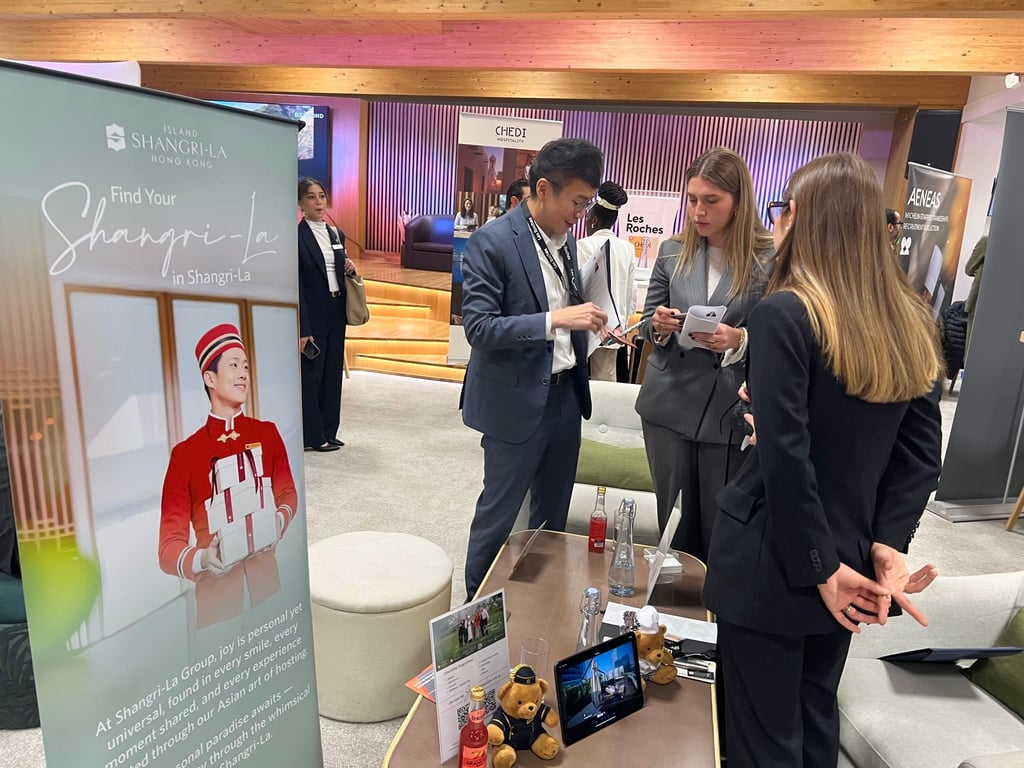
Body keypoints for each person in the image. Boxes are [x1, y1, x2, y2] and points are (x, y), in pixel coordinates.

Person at [703, 152, 943, 767]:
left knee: (760, 741)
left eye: (782, 210)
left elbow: (787, 455)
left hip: (775, 562)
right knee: (813, 725)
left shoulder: (784, 313)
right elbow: (920, 455)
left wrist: (820, 567)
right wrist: (885, 541)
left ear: (799, 216)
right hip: (850, 562)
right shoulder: (912, 320)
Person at [460, 138, 608, 600]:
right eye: (577, 202)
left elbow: (564, 307)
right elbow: (479, 327)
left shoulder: (567, 242)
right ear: (543, 188)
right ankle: (475, 614)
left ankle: (539, 604)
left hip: (566, 397)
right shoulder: (492, 241)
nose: (581, 214)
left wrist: (588, 325)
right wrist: (554, 320)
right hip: (514, 400)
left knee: (552, 517)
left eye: (587, 204)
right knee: (499, 516)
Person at [634, 147, 773, 560]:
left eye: (711, 200)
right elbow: (645, 326)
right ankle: (672, 602)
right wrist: (658, 325)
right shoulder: (672, 251)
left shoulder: (771, 257)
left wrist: (741, 339)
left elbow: (788, 334)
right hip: (667, 404)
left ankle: (715, 604)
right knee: (673, 532)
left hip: (729, 408)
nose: (698, 211)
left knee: (721, 531)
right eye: (692, 199)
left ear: (739, 201)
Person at [158, 324, 299, 629]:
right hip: (217, 607)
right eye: (233, 365)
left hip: (270, 592)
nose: (243, 374)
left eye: (246, 366)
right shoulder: (185, 455)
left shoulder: (267, 434)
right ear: (209, 378)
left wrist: (278, 522)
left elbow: (288, 493)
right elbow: (167, 548)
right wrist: (202, 560)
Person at [298, 177, 356, 452]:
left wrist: (350, 269)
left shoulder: (336, 234)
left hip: (336, 310)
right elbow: (297, 285)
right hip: (313, 313)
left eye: (321, 196)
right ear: (301, 203)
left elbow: (336, 269)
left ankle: (330, 430)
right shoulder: (297, 237)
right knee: (313, 376)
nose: (318, 202)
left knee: (333, 373)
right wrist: (303, 328)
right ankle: (313, 435)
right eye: (311, 197)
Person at [576, 181, 636, 381]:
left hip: (586, 326)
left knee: (580, 380)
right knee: (605, 382)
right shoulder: (627, 248)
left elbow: (577, 290)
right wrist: (622, 325)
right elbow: (631, 293)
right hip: (615, 328)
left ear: (593, 220)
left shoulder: (582, 245)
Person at [964, 234, 987, 354]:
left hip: (979, 302)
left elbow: (969, 269)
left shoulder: (987, 240)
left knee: (971, 349)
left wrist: (980, 273)